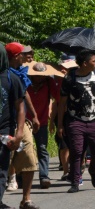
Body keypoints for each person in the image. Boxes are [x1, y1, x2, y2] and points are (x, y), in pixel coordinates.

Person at [58, 50, 95, 194]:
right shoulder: (69, 77)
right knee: (76, 151)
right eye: (94, 61)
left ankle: (93, 171)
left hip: (93, 120)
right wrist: (60, 125)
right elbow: (61, 103)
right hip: (75, 120)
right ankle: (75, 181)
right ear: (85, 63)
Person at [5, 43, 39, 207]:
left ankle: (26, 199)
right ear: (16, 56)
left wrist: (34, 114)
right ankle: (10, 181)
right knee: (5, 158)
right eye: (24, 53)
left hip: (21, 120)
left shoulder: (20, 75)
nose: (27, 56)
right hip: (4, 121)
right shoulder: (5, 74)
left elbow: (24, 95)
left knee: (29, 156)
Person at [0, 45, 28, 209]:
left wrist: (19, 133)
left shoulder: (11, 78)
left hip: (4, 132)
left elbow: (20, 108)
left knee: (2, 168)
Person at [25, 62, 60, 190]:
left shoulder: (49, 82)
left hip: (42, 122)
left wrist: (61, 79)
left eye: (42, 75)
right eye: (37, 75)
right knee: (23, 150)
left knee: (42, 149)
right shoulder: (25, 80)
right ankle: (19, 177)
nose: (40, 77)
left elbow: (59, 96)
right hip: (25, 122)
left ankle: (44, 177)